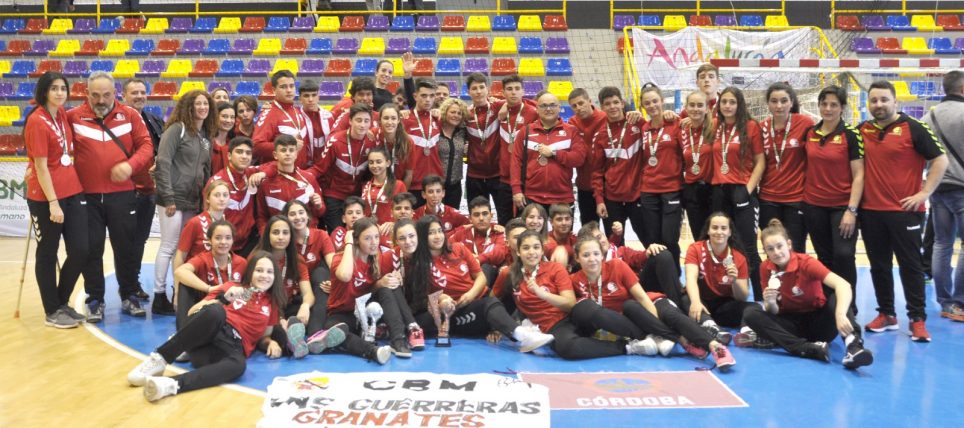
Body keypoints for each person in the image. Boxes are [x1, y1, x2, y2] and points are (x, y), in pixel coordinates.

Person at [126, 252, 292, 402]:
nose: (264, 275)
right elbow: (193, 312)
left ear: (275, 276)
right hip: (211, 330)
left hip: (224, 349)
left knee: (239, 365)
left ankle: (170, 385)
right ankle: (160, 359)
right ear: (251, 272)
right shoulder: (232, 286)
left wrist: (270, 342)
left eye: (269, 272)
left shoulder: (272, 304)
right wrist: (223, 299)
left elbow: (263, 336)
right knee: (216, 311)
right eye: (259, 270)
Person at [860, 80, 948, 341]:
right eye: (874, 100)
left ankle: (917, 319)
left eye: (884, 99)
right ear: (869, 104)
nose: (879, 105)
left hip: (906, 212)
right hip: (871, 212)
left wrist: (924, 193)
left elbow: (940, 160)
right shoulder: (863, 130)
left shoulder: (914, 128)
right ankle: (887, 313)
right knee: (879, 266)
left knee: (910, 266)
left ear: (895, 102)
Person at [570, 236, 736, 368]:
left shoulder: (616, 266)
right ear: (577, 258)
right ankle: (683, 341)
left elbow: (641, 297)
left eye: (596, 254)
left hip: (647, 305)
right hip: (631, 322)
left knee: (669, 315)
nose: (592, 259)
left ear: (602, 255)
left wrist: (657, 324)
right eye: (586, 255)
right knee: (629, 309)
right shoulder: (574, 281)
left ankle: (716, 347)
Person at [68, 71, 154, 322]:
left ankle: (129, 295)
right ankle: (95, 299)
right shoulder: (73, 117)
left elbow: (147, 146)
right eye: (95, 95)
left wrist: (131, 166)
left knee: (126, 248)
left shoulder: (130, 115)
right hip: (87, 197)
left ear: (115, 93)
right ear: (86, 94)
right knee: (91, 249)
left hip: (123, 195)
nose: (101, 100)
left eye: (106, 95)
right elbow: (53, 141)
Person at [491, 231, 654, 360]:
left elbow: (569, 304)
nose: (531, 252)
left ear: (542, 250)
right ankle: (628, 348)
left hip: (571, 317)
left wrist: (543, 294)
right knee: (567, 349)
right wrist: (498, 327)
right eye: (526, 248)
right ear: (518, 252)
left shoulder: (555, 268)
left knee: (586, 307)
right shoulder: (508, 274)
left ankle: (646, 335)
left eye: (536, 247)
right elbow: (494, 301)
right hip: (552, 328)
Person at [404, 216, 556, 350]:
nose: (437, 236)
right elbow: (421, 301)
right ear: (423, 237)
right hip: (455, 311)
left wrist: (471, 294)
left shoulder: (458, 248)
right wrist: (442, 299)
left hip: (476, 299)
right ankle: (523, 336)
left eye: (439, 231)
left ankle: (518, 326)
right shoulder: (418, 264)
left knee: (504, 290)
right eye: (431, 233)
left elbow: (481, 277)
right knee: (489, 303)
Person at [742, 219, 874, 369]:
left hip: (819, 324)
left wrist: (840, 314)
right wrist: (770, 303)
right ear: (765, 251)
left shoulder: (806, 263)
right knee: (751, 312)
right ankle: (807, 349)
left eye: (780, 246)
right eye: (770, 249)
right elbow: (774, 311)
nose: (776, 252)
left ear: (789, 244)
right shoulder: (765, 268)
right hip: (791, 325)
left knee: (837, 298)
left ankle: (853, 346)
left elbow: (843, 285)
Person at [24, 71, 89, 328]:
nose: (60, 92)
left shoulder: (61, 114)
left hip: (72, 190)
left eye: (63, 88)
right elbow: (40, 167)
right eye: (54, 88)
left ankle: (61, 302)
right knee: (48, 253)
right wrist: (53, 202)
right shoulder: (37, 121)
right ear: (44, 91)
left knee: (81, 250)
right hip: (46, 198)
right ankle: (52, 310)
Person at [153, 90, 217, 316]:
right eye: (197, 103)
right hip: (172, 199)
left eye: (205, 104)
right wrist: (168, 196)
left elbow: (205, 171)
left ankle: (179, 293)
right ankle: (158, 296)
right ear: (188, 107)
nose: (202, 107)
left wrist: (204, 202)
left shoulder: (204, 136)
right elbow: (162, 161)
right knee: (169, 246)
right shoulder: (176, 129)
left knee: (185, 248)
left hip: (192, 201)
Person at [801, 85, 863, 313]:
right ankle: (829, 303)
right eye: (824, 104)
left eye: (833, 105)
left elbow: (859, 175)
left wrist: (852, 210)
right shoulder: (810, 133)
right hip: (813, 205)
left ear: (842, 108)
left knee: (844, 255)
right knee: (824, 257)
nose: (828, 108)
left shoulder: (850, 134)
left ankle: (849, 306)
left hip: (842, 208)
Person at [327, 218, 408, 363]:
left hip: (365, 311)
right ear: (356, 240)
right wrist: (348, 243)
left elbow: (370, 289)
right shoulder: (340, 258)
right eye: (368, 238)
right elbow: (345, 276)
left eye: (377, 237)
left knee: (386, 288)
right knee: (337, 331)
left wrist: (389, 280)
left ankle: (398, 340)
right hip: (342, 313)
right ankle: (372, 351)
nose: (374, 242)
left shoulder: (376, 259)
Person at [710, 87, 765, 301]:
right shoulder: (713, 125)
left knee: (748, 247)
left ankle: (759, 298)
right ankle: (724, 294)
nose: (727, 106)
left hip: (742, 190)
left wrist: (747, 190)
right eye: (724, 101)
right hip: (718, 191)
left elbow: (760, 161)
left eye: (732, 102)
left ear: (739, 104)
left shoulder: (751, 127)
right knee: (721, 244)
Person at [924, 70, 964, 322]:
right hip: (961, 186)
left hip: (937, 188)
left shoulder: (928, 117)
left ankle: (945, 302)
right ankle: (960, 303)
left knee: (942, 244)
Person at [758, 82, 815, 253]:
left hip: (796, 199)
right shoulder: (762, 128)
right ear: (767, 104)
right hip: (768, 199)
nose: (779, 105)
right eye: (774, 101)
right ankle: (775, 281)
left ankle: (797, 281)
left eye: (784, 101)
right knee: (772, 249)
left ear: (791, 102)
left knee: (795, 250)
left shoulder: (805, 123)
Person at [683, 212, 755, 344]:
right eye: (715, 228)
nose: (719, 232)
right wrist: (695, 302)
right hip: (701, 302)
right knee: (685, 299)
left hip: (723, 306)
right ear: (708, 231)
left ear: (729, 232)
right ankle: (713, 328)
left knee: (754, 307)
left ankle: (747, 334)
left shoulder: (738, 257)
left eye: (723, 228)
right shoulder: (696, 249)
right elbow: (690, 279)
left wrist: (734, 281)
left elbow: (742, 298)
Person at [511, 91, 587, 213]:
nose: (548, 109)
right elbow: (515, 164)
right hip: (531, 197)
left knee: (563, 233)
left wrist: (555, 153)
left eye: (552, 105)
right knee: (531, 233)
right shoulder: (525, 132)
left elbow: (579, 159)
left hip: (562, 198)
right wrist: (516, 190)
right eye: (544, 106)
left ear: (559, 108)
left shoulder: (571, 131)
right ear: (537, 108)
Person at [122, 78, 163, 301]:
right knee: (125, 243)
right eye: (134, 92)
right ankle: (126, 287)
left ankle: (132, 284)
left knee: (139, 242)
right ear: (123, 96)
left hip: (148, 192)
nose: (139, 96)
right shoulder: (117, 122)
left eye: (142, 91)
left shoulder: (154, 120)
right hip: (125, 193)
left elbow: (163, 149)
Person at [579, 222, 683, 306]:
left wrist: (649, 251)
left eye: (600, 236)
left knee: (661, 254)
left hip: (640, 288)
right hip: (619, 301)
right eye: (595, 240)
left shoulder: (621, 251)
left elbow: (638, 257)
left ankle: (677, 305)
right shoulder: (589, 267)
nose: (600, 241)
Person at [256, 216, 318, 358]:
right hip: (265, 309)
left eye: (285, 233)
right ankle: (292, 341)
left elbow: (308, 293)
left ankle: (301, 332)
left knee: (311, 311)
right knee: (276, 330)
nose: (281, 237)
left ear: (291, 236)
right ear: (268, 235)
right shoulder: (257, 258)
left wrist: (305, 307)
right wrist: (277, 317)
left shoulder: (297, 260)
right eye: (276, 232)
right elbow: (253, 295)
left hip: (287, 306)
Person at [170, 180, 231, 322]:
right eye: (217, 195)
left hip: (214, 282)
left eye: (225, 195)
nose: (222, 199)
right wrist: (177, 289)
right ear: (208, 198)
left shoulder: (227, 224)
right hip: (193, 284)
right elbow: (180, 256)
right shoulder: (195, 223)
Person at [638, 84, 684, 267]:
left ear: (662, 101)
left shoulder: (676, 124)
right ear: (642, 105)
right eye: (647, 103)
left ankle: (674, 278)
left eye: (655, 101)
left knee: (669, 238)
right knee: (653, 238)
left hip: (671, 189)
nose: (652, 106)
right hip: (648, 190)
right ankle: (658, 278)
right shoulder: (643, 128)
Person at [591, 86, 645, 238]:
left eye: (615, 102)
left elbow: (656, 127)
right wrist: (600, 200)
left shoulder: (638, 124)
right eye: (607, 104)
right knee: (614, 245)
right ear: (602, 107)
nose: (612, 107)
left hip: (638, 196)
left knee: (649, 240)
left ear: (622, 103)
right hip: (612, 199)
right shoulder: (601, 135)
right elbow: (596, 172)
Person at [312, 103, 377, 230]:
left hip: (357, 195)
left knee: (359, 233)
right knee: (337, 233)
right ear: (350, 121)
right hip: (334, 195)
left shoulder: (372, 142)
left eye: (366, 121)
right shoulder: (335, 141)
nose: (362, 125)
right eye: (358, 120)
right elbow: (319, 169)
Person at [173, 219, 247, 319]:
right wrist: (209, 288)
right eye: (218, 238)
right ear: (209, 240)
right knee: (184, 285)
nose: (223, 242)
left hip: (234, 312)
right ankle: (183, 329)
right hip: (207, 311)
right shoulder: (203, 259)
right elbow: (179, 271)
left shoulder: (242, 263)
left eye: (228, 238)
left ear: (233, 240)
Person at [284, 199, 336, 334]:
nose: (298, 217)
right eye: (292, 214)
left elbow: (333, 265)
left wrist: (334, 283)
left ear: (308, 216)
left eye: (301, 212)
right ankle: (312, 327)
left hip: (317, 289)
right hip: (295, 291)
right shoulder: (284, 240)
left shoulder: (321, 235)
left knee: (320, 273)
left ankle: (315, 332)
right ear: (286, 219)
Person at [254, 135, 325, 232]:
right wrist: (265, 237)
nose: (287, 154)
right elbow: (261, 217)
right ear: (275, 154)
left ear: (296, 154)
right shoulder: (265, 183)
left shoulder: (309, 178)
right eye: (283, 150)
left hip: (306, 235)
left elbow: (320, 213)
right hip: (280, 237)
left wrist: (318, 206)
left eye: (291, 150)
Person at [208, 137, 261, 256]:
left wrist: (263, 173)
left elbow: (273, 166)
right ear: (229, 156)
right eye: (239, 152)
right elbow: (208, 216)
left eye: (248, 153)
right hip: (223, 243)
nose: (244, 156)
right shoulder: (217, 182)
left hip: (248, 242)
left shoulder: (251, 173)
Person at [496, 75, 539, 222]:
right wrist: (502, 105)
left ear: (523, 91)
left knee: (528, 224)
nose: (513, 92)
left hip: (526, 180)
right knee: (504, 223)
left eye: (517, 89)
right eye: (509, 89)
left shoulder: (533, 113)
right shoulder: (498, 110)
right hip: (503, 180)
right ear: (503, 93)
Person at [464, 73, 504, 217]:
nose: (479, 91)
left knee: (504, 217)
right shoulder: (465, 114)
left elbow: (520, 102)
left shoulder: (498, 106)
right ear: (468, 92)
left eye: (482, 87)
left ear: (488, 89)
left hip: (498, 174)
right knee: (476, 218)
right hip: (475, 175)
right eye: (474, 88)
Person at [567, 88, 609, 227]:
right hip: (584, 186)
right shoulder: (572, 123)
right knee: (588, 230)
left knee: (613, 230)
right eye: (574, 106)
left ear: (590, 101)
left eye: (581, 103)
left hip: (607, 186)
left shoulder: (606, 118)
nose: (578, 108)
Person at [403, 78, 444, 207]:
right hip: (414, 184)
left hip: (435, 186)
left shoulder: (439, 118)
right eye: (424, 95)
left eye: (432, 96)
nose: (428, 99)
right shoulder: (405, 119)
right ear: (415, 96)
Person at [680, 91, 716, 238]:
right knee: (699, 236)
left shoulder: (715, 127)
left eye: (700, 105)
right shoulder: (681, 129)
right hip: (691, 190)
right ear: (686, 109)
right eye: (692, 105)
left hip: (713, 189)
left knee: (715, 234)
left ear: (707, 108)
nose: (696, 109)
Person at [252, 70, 306, 163]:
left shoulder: (297, 111)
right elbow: (256, 146)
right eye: (283, 87)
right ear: (274, 90)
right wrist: (287, 147)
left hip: (300, 172)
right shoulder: (269, 113)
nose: (289, 90)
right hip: (277, 174)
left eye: (291, 86)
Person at [363, 146, 407, 225]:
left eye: (379, 162)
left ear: (388, 163)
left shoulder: (398, 185)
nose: (375, 165)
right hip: (368, 231)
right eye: (371, 162)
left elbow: (406, 213)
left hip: (388, 231)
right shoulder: (365, 186)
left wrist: (393, 224)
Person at [374, 103, 414, 189]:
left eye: (393, 118)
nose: (389, 122)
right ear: (380, 120)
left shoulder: (407, 141)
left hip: (398, 187)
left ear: (398, 120)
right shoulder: (373, 135)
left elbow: (409, 174)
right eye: (386, 118)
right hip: (375, 187)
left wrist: (401, 194)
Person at [437, 97, 468, 208]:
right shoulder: (436, 130)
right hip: (436, 185)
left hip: (455, 185)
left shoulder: (463, 132)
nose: (456, 115)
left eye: (459, 113)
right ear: (445, 112)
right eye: (453, 112)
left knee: (452, 219)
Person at [297, 80, 334, 170]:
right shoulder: (295, 117)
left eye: (314, 95)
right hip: (303, 168)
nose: (310, 99)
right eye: (306, 96)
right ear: (300, 98)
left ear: (318, 97)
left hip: (326, 166)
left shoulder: (329, 116)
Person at [210, 102, 236, 176]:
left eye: (232, 117)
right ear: (215, 117)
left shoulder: (234, 143)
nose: (228, 120)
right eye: (224, 116)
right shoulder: (206, 142)